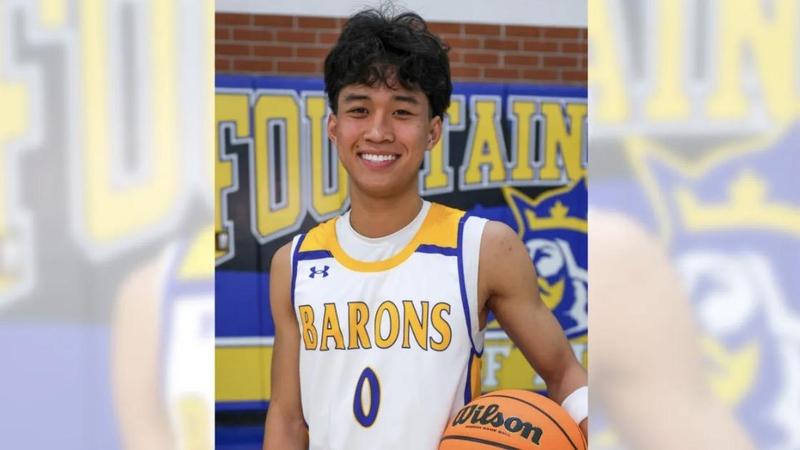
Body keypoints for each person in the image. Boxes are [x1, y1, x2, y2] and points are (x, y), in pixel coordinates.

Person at [263, 8, 587, 450]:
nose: (378, 131)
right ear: (334, 128)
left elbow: (564, 372)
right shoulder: (295, 263)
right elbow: (287, 418)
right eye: (360, 109)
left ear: (432, 131)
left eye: (401, 111)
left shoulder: (482, 248)